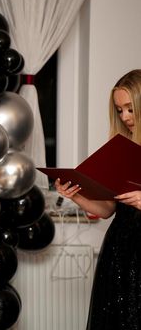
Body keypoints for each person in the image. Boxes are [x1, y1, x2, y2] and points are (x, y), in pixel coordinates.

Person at [55, 69, 141, 330]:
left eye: (130, 109)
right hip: (121, 251)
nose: (124, 117)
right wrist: (76, 195)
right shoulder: (122, 149)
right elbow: (107, 209)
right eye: (119, 110)